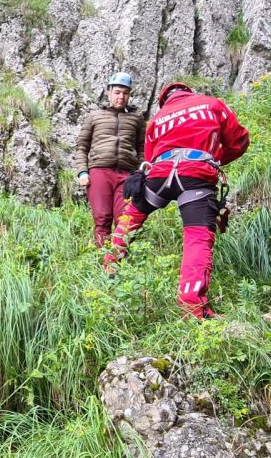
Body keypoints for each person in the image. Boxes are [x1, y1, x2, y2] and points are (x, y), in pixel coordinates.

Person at [104, 82, 249, 319]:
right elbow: (239, 141)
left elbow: (150, 158)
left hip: (159, 175)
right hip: (195, 174)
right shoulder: (212, 104)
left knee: (131, 217)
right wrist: (213, 160)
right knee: (197, 239)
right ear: (188, 93)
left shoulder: (158, 118)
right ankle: (192, 306)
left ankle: (109, 264)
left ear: (164, 100)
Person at [75, 72, 146, 247]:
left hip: (127, 175)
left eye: (125, 93)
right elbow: (81, 147)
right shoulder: (94, 116)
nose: (121, 97)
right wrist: (82, 171)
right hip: (99, 172)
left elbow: (143, 149)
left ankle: (120, 263)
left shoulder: (137, 118)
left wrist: (141, 173)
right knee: (102, 219)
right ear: (109, 93)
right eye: (117, 92)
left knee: (125, 220)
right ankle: (104, 263)